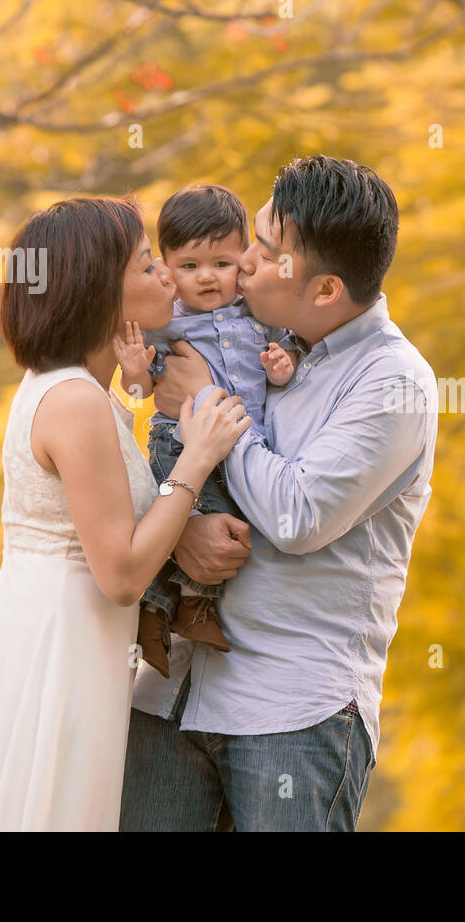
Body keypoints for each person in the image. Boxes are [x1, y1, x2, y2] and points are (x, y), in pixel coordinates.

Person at [120, 155, 438, 832]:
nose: (241, 265)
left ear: (324, 289)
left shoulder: (392, 383)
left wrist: (202, 400)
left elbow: (295, 513)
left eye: (263, 252)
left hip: (292, 712)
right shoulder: (238, 335)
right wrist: (178, 527)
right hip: (166, 690)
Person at [0, 197, 250, 831]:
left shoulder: (82, 390)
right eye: (148, 265)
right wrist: (200, 457)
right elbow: (122, 572)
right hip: (56, 653)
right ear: (100, 290)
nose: (167, 278)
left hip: (76, 644)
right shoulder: (73, 398)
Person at [116, 184, 297, 678]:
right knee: (186, 513)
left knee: (222, 520)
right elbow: (140, 388)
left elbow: (283, 362)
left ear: (244, 258)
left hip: (239, 442)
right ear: (168, 268)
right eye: (190, 267)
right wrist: (134, 370)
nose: (208, 278)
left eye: (222, 263)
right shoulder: (166, 322)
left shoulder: (258, 315)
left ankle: (173, 610)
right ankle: (175, 612)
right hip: (178, 440)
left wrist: (281, 366)